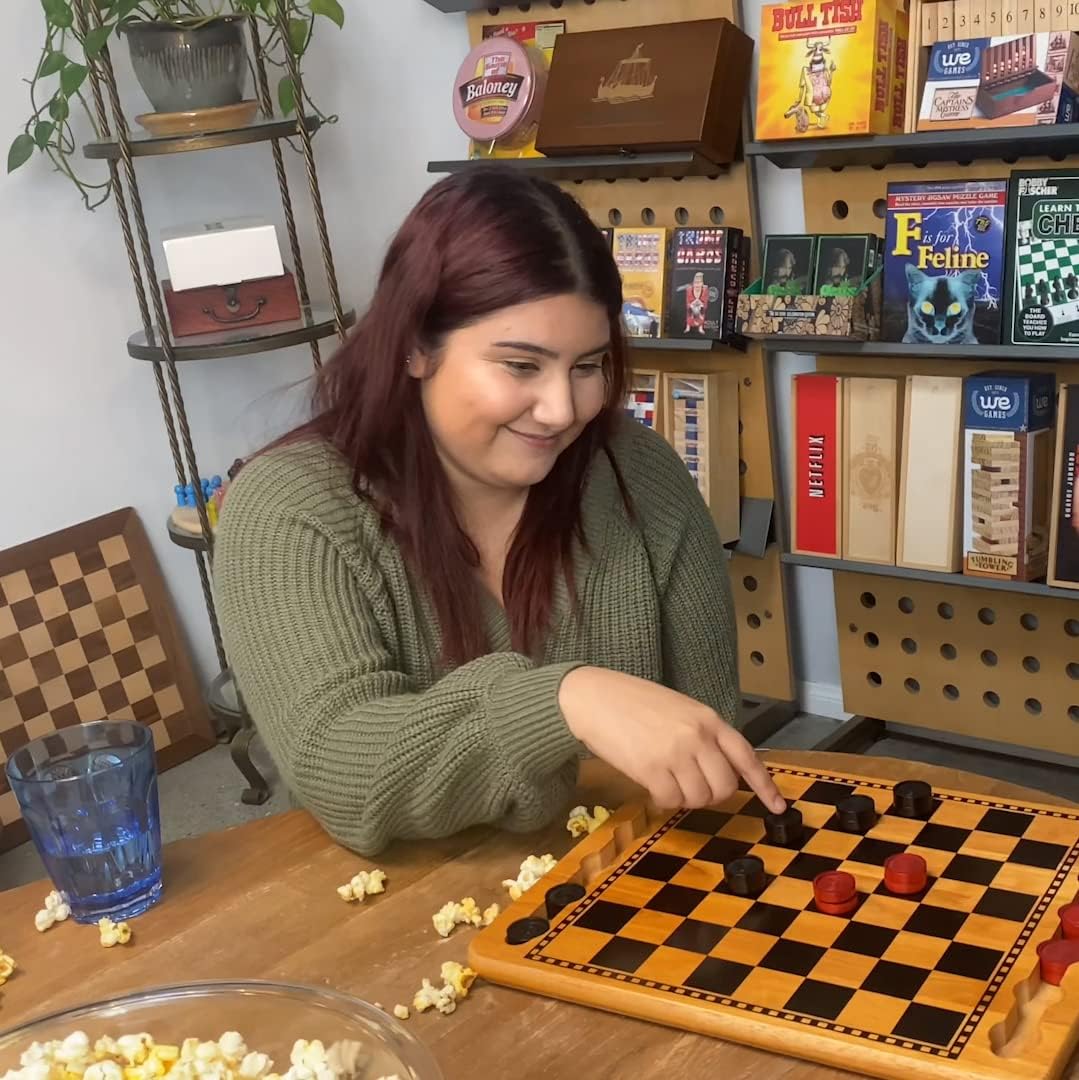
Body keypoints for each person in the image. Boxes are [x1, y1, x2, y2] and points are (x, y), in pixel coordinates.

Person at [214, 166, 785, 857]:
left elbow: (706, 745)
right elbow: (341, 769)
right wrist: (563, 701)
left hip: (626, 885)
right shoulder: (288, 510)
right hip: (399, 911)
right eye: (520, 366)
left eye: (587, 365)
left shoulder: (638, 472)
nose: (562, 409)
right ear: (414, 346)